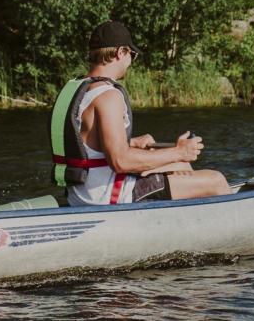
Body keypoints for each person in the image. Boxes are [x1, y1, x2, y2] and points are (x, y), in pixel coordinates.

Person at [49, 20, 233, 205]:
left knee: (181, 166)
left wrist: (131, 142)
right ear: (121, 52)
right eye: (132, 55)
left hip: (80, 194)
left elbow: (85, 143)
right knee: (215, 180)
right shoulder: (108, 95)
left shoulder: (75, 89)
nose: (130, 62)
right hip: (109, 197)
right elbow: (120, 161)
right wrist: (179, 151)